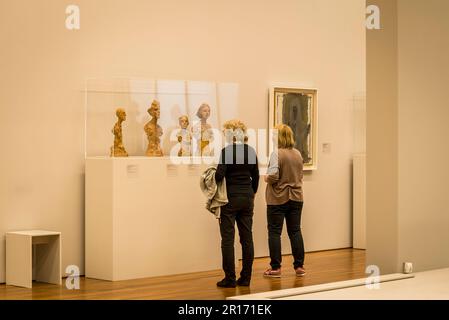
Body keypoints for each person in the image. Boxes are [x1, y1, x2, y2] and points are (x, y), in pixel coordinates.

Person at [214, 120, 259, 288]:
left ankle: (230, 279)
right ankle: (246, 278)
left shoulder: (226, 152)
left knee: (227, 239)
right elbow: (256, 177)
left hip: (230, 199)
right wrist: (251, 193)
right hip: (247, 198)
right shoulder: (251, 151)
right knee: (247, 238)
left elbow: (219, 176)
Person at [263, 124, 306, 278]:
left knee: (275, 232)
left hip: (277, 198)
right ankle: (299, 266)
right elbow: (300, 176)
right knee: (295, 231)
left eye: (275, 134)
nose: (273, 137)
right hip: (296, 197)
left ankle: (275, 268)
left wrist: (266, 177)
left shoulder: (276, 153)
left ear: (279, 137)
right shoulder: (298, 154)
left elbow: (273, 176)